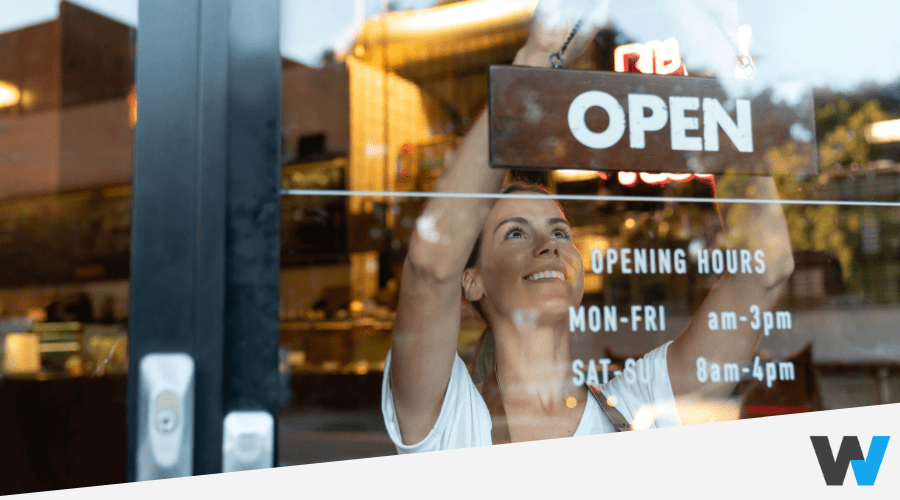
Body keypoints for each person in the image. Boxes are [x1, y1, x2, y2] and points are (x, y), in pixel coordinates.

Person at [382, 0, 794, 452]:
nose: (549, 246)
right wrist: (533, 65)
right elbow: (430, 267)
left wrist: (716, 86)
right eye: (515, 233)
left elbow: (765, 268)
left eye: (560, 232)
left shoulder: (638, 406)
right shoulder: (449, 417)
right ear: (473, 281)